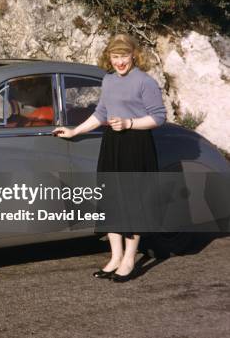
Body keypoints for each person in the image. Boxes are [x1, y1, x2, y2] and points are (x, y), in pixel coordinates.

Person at [52, 34, 166, 282]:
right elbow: (101, 112)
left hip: (136, 143)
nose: (120, 61)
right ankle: (115, 257)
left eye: (124, 56)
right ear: (109, 57)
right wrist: (75, 131)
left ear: (134, 55)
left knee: (132, 202)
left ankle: (129, 260)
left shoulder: (144, 82)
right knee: (111, 199)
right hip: (112, 143)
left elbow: (158, 117)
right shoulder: (109, 80)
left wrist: (129, 122)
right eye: (115, 56)